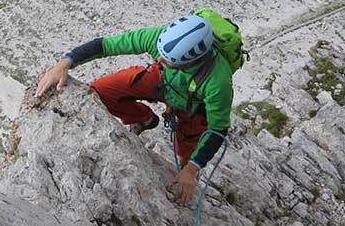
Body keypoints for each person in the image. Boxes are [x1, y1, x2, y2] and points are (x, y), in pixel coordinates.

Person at [35, 14, 235, 207]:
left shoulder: (217, 81)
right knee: (99, 91)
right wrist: (65, 63)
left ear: (190, 62)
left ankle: (184, 177)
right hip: (163, 81)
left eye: (168, 61)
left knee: (185, 156)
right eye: (160, 55)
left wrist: (191, 169)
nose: (158, 60)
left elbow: (217, 129)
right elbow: (105, 45)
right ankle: (144, 119)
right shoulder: (160, 39)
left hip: (192, 108)